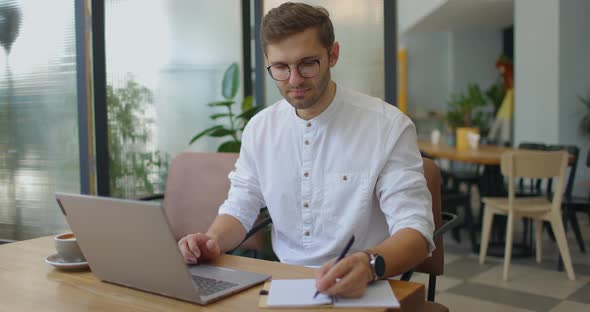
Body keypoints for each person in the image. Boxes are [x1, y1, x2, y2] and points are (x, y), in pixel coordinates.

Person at [178, 2, 434, 298]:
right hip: (284, 285)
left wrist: (369, 263)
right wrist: (212, 240)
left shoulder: (387, 127)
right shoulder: (260, 129)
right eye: (281, 67)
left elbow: (415, 230)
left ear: (333, 54)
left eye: (307, 63)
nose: (295, 80)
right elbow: (240, 207)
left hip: (369, 285)